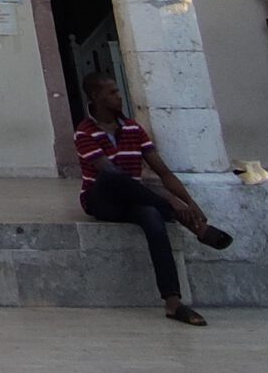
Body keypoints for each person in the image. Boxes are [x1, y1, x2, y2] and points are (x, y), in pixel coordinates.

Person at [75, 71, 233, 326]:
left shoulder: (134, 130)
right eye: (112, 92)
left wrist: (190, 203)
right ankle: (196, 228)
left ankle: (172, 301)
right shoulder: (85, 132)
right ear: (96, 96)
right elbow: (109, 173)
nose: (118, 97)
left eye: (117, 91)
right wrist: (171, 201)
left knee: (151, 217)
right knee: (114, 177)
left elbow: (163, 171)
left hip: (135, 198)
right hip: (102, 200)